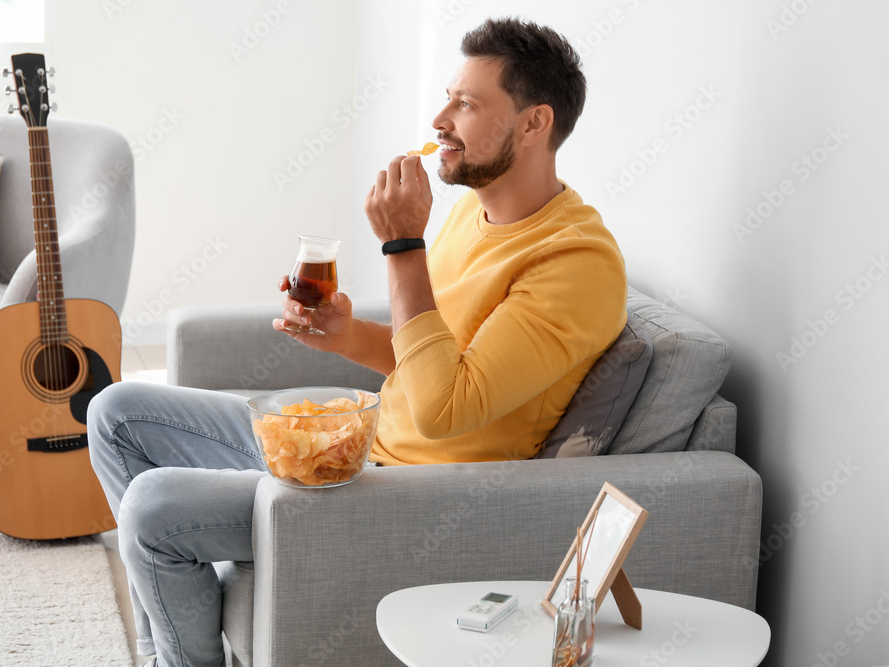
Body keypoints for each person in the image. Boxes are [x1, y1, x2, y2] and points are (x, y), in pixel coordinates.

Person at [89, 17, 626, 667]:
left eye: (466, 103)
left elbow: (443, 405)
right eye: (447, 98)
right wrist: (347, 337)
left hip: (404, 493)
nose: (439, 118)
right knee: (115, 413)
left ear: (535, 123)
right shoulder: (473, 212)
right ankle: (162, 644)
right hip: (356, 442)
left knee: (152, 508)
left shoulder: (575, 263)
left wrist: (403, 246)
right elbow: (427, 355)